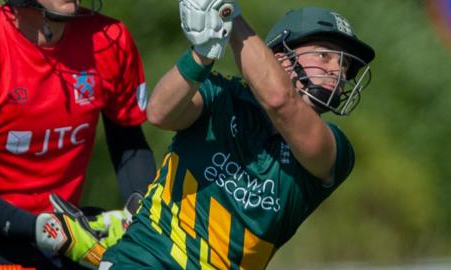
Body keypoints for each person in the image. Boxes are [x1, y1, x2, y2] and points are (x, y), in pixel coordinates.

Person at [100, 1, 375, 269]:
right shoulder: (222, 94)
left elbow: (281, 101)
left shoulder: (336, 150)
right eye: (324, 55)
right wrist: (203, 53)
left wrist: (229, 13)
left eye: (345, 65)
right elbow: (160, 112)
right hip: (142, 260)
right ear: (280, 57)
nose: (337, 71)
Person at [0, 0, 157, 269]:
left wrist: (142, 215)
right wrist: (44, 229)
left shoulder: (109, 38)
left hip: (70, 234)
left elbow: (129, 144)